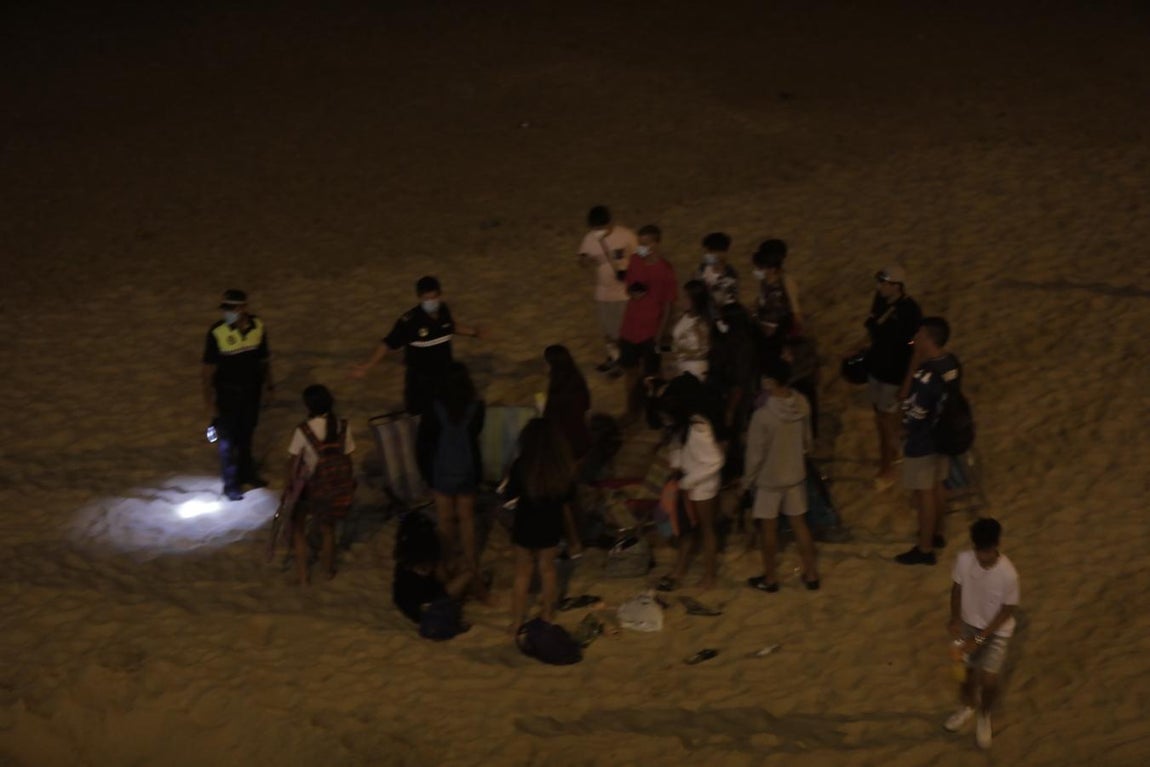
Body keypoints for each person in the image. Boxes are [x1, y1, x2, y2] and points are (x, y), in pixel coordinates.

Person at [351, 276, 482, 415]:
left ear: (440, 295)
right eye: (426, 298)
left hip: (444, 375)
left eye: (434, 297)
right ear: (419, 298)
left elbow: (450, 327)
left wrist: (474, 332)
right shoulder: (410, 322)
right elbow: (387, 343)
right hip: (420, 381)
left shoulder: (444, 310)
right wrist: (367, 365)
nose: (431, 302)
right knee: (420, 414)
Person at [743, 358, 820, 591]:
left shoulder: (763, 415)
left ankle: (770, 578)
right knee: (800, 525)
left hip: (770, 479)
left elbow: (755, 455)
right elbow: (808, 441)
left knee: (768, 530)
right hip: (795, 475)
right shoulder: (802, 403)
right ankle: (811, 574)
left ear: (769, 381)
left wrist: (746, 482)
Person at [944, 518, 1020, 750]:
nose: (981, 557)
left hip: (996, 632)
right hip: (968, 624)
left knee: (989, 680)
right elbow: (956, 589)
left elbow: (1007, 611)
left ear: (996, 545)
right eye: (978, 550)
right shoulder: (964, 560)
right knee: (965, 674)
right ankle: (968, 706)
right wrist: (955, 618)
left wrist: (979, 639)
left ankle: (984, 716)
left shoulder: (1008, 574)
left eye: (986, 551)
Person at [895, 317, 960, 565]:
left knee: (924, 494)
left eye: (919, 334)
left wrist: (901, 430)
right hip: (945, 435)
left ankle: (925, 548)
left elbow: (908, 402)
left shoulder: (926, 376)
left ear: (929, 338)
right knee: (938, 485)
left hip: (924, 441)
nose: (915, 338)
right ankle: (938, 532)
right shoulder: (951, 363)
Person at [505, 419, 578, 634]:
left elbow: (510, 493)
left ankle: (517, 621)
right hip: (550, 524)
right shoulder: (561, 468)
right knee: (548, 570)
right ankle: (547, 613)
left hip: (525, 523)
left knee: (522, 573)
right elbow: (568, 498)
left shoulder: (522, 465)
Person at [202, 289, 274, 501]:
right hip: (228, 394)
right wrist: (209, 400)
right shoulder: (217, 332)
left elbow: (264, 359)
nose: (227, 313)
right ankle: (231, 484)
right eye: (225, 308)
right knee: (227, 440)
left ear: (243, 308)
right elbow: (207, 369)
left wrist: (270, 385)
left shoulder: (258, 326)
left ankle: (247, 474)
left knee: (247, 434)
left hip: (252, 392)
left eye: (231, 308)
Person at [417, 362, 486, 581]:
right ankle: (471, 564)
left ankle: (448, 564)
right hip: (467, 468)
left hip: (441, 470)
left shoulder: (433, 408)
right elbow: (475, 435)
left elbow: (424, 442)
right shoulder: (477, 407)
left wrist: (426, 474)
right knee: (467, 519)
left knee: (445, 520)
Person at [653, 379, 725, 591]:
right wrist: (677, 468)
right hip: (687, 483)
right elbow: (678, 447)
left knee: (706, 529)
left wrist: (688, 481)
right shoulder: (682, 427)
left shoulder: (698, 428)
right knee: (686, 530)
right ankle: (680, 569)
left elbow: (715, 461)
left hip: (703, 487)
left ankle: (709, 576)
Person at [857, 264, 921, 489]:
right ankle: (892, 456)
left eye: (884, 283)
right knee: (880, 418)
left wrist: (907, 382)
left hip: (894, 375)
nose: (879, 287)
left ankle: (887, 469)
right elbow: (873, 330)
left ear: (897, 286)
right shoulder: (880, 300)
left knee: (885, 423)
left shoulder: (910, 311)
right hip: (877, 368)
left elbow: (915, 348)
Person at [284, 384, 355, 586]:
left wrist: (289, 486)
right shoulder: (343, 426)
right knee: (328, 529)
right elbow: (348, 458)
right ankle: (328, 571)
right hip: (336, 487)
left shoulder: (303, 430)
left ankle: (303, 577)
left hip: (312, 487)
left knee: (298, 528)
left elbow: (293, 461)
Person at [618, 225, 678, 421]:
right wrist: (633, 293)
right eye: (640, 243)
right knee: (630, 372)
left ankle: (654, 410)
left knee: (652, 375)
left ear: (655, 244)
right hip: (630, 328)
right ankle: (631, 410)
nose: (640, 248)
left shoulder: (665, 270)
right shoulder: (635, 260)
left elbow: (668, 305)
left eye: (644, 244)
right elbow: (629, 287)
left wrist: (660, 334)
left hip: (650, 331)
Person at [577, 205, 639, 376]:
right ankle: (613, 358)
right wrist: (585, 260)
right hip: (603, 293)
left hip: (623, 293)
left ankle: (625, 361)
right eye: (595, 229)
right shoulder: (590, 238)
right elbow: (581, 259)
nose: (599, 232)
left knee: (623, 331)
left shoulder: (626, 235)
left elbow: (640, 255)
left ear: (610, 222)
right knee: (607, 332)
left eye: (602, 228)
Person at [751, 239, 803, 355]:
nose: (757, 271)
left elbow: (796, 311)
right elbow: (762, 300)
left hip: (778, 333)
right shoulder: (765, 281)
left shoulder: (786, 281)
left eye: (760, 268)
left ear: (772, 268)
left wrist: (793, 337)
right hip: (763, 327)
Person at [542, 345, 592, 462]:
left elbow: (552, 410)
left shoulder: (561, 384)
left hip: (568, 438)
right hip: (578, 436)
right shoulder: (575, 377)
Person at [670, 279, 712, 380]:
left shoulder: (702, 323)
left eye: (686, 297)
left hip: (696, 370)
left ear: (696, 299)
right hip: (680, 367)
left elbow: (704, 350)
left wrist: (683, 354)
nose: (682, 300)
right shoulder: (682, 317)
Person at [695, 232, 739, 310]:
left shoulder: (731, 273)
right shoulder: (701, 271)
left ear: (721, 253)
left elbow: (732, 299)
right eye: (706, 252)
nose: (706, 256)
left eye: (709, 252)